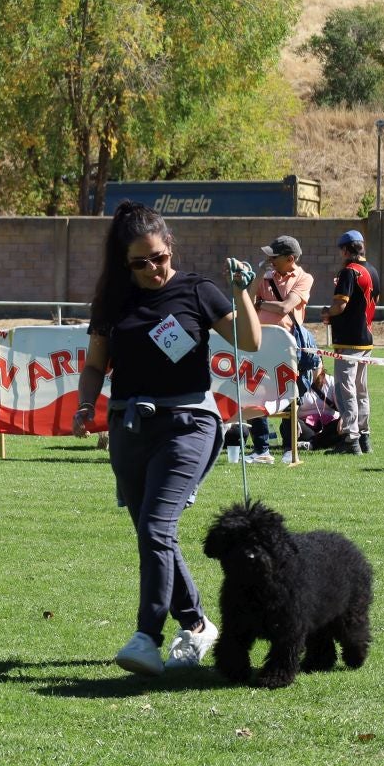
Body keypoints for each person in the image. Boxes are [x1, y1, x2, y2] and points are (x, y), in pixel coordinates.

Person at [72, 201, 260, 677]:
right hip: (129, 427)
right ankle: (196, 626)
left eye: (158, 257)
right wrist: (83, 405)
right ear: (124, 264)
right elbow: (96, 364)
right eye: (140, 263)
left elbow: (249, 341)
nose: (154, 269)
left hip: (189, 425)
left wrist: (243, 294)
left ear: (169, 246)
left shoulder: (198, 290)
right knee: (153, 534)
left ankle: (145, 636)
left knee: (157, 528)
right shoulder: (113, 302)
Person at [245, 235, 314, 465]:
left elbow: (286, 306)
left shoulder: (304, 278)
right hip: (259, 344)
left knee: (289, 394)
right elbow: (248, 299)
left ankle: (288, 447)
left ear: (290, 258)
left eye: (275, 257)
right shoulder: (265, 276)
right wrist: (257, 277)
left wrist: (259, 304)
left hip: (287, 346)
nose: (270, 260)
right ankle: (261, 448)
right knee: (254, 392)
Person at [320, 230, 378, 456]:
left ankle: (350, 438)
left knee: (345, 390)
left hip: (349, 339)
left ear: (345, 250)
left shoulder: (349, 272)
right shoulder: (372, 270)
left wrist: (328, 313)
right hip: (366, 338)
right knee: (361, 389)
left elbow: (340, 306)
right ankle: (364, 437)